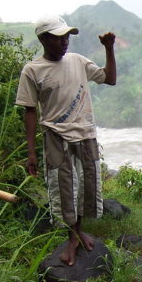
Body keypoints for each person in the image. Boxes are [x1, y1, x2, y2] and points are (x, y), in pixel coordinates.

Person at [15, 15, 116, 266]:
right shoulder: (33, 70)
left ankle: (79, 230)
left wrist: (109, 49)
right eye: (59, 38)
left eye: (67, 37)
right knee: (63, 189)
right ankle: (71, 237)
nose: (65, 42)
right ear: (43, 39)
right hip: (55, 136)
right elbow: (29, 110)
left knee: (87, 186)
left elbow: (110, 78)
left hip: (85, 134)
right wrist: (31, 152)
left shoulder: (78, 61)